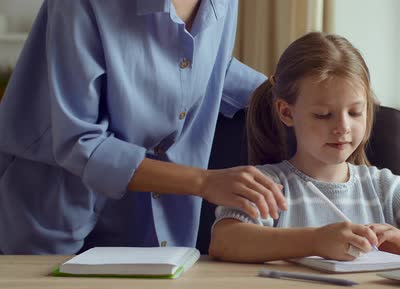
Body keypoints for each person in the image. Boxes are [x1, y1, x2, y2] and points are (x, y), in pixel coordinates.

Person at [0, 0, 287, 255]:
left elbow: (211, 64)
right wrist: (205, 182)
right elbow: (80, 143)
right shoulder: (79, 5)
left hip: (155, 220)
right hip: (55, 217)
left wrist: (293, 95)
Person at [209, 32, 400, 263]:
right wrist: (315, 241)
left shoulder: (382, 187)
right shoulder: (268, 185)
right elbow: (226, 240)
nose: (342, 127)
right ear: (286, 112)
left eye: (355, 113)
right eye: (323, 115)